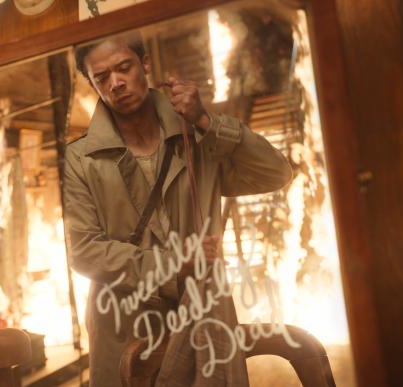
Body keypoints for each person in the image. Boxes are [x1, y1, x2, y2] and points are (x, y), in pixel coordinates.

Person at [63, 33, 292, 387]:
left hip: (200, 314)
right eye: (102, 77)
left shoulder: (198, 137)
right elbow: (83, 253)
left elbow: (275, 172)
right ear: (92, 84)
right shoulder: (81, 159)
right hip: (123, 328)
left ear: (145, 64)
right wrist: (171, 262)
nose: (116, 83)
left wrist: (206, 120)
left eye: (123, 68)